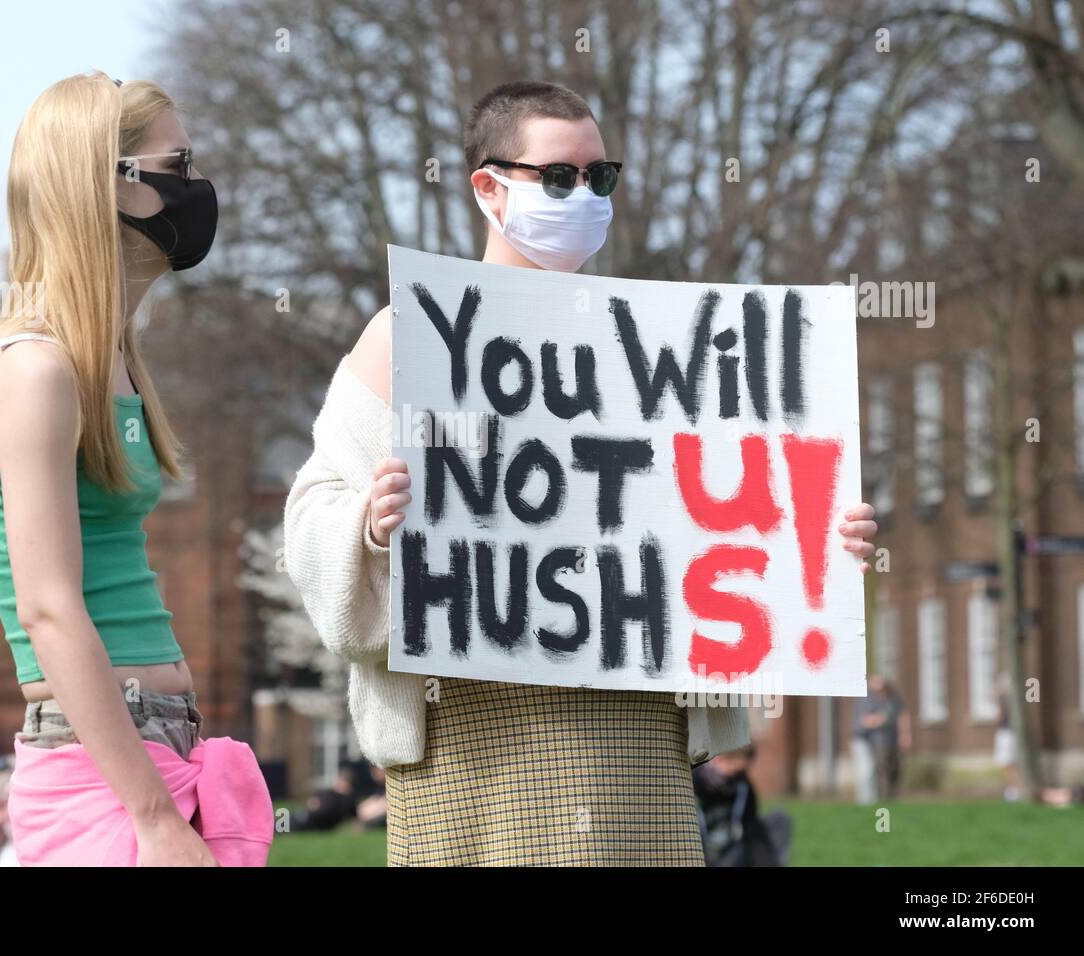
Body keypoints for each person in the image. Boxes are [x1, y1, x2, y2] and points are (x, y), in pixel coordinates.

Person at [284, 79, 879, 865]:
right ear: (489, 188)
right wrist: (367, 521)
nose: (586, 195)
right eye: (559, 177)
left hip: (632, 736)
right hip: (474, 741)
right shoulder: (408, 336)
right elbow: (310, 512)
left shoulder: (670, 347)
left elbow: (726, 514)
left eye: (601, 177)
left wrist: (818, 533)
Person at [0, 72, 270, 866]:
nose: (197, 188)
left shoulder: (110, 362)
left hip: (147, 751)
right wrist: (155, 818)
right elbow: (48, 610)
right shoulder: (35, 371)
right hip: (105, 771)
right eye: (178, 165)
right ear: (109, 184)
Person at [692, 745, 788, 866]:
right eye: (733, 767)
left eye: (741, 771)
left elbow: (752, 828)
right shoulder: (693, 781)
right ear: (718, 759)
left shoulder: (742, 785)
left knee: (779, 819)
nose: (735, 774)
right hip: (700, 852)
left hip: (731, 852)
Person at [852, 674, 908, 802]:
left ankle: (877, 799)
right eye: (877, 689)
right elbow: (865, 721)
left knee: (882, 769)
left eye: (882, 688)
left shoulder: (891, 699)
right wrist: (880, 720)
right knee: (866, 770)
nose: (880, 691)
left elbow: (901, 713)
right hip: (862, 738)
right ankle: (865, 801)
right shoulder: (866, 699)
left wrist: (904, 735)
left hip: (880, 740)